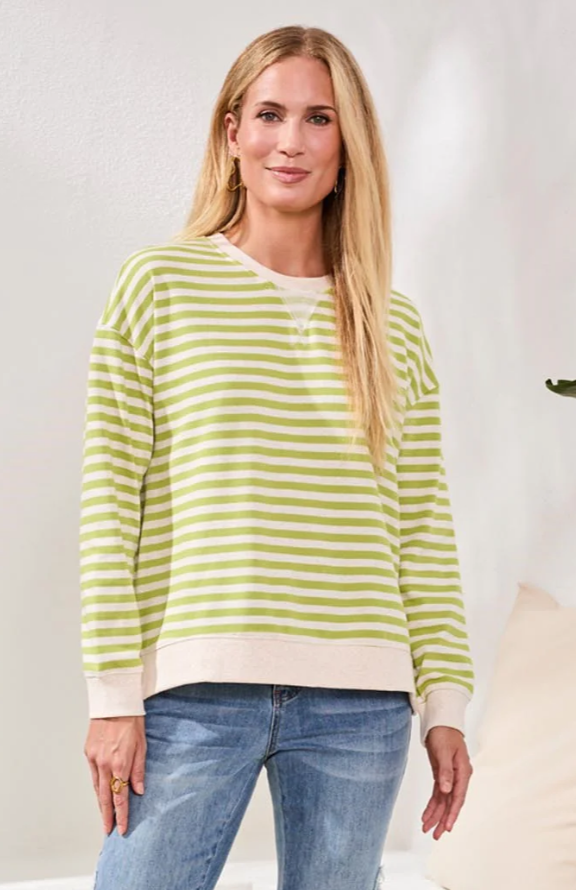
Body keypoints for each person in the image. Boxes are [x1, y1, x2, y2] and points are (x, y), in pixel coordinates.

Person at [80, 24, 474, 890]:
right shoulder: (160, 285)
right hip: (193, 693)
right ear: (232, 133)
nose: (290, 140)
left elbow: (422, 532)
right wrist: (112, 696)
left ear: (348, 143)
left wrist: (445, 704)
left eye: (318, 118)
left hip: (361, 705)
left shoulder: (394, 327)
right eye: (268, 114)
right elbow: (109, 506)